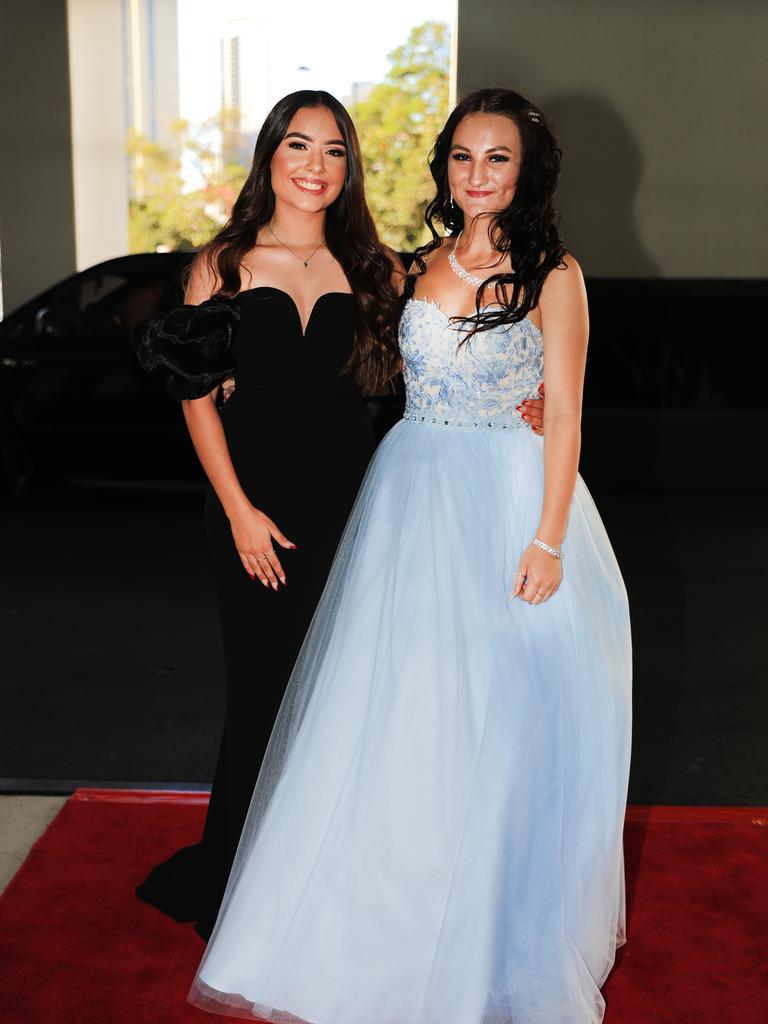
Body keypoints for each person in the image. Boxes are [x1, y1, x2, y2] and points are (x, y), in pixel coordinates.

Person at [188, 87, 632, 1024]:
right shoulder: (405, 270)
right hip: (405, 502)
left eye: (498, 157)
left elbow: (570, 413)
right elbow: (351, 369)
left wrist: (548, 533)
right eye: (463, 157)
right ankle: (381, 911)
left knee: (501, 719)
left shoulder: (556, 274)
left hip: (509, 508)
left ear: (527, 170)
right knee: (399, 710)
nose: (478, 175)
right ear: (443, 170)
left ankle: (484, 923)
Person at [133, 90, 409, 938]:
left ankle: (332, 871)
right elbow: (195, 401)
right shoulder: (222, 263)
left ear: (348, 168)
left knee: (341, 695)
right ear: (270, 155)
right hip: (251, 503)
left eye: (333, 150)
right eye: (299, 144)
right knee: (261, 691)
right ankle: (243, 881)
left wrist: (528, 405)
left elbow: (433, 371)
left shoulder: (377, 269)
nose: (314, 165)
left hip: (351, 501)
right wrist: (240, 512)